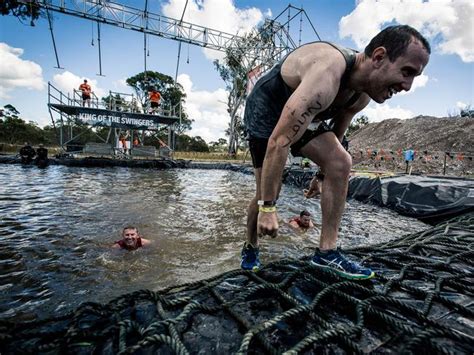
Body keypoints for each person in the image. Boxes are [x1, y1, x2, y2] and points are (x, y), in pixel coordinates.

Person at [240, 25, 430, 279]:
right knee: (266, 192)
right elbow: (279, 141)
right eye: (407, 72)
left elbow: (336, 139)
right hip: (267, 112)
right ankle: (250, 246)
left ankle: (326, 253)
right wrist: (267, 208)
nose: (407, 86)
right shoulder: (326, 74)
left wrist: (321, 176)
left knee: (341, 161)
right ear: (379, 57)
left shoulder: (361, 97)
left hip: (305, 116)